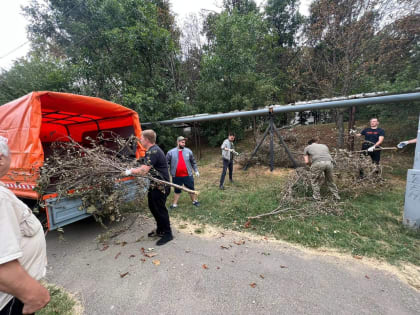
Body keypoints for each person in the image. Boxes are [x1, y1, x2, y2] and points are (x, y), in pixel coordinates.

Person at [0, 136, 50, 314]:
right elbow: (2, 263)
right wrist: (34, 295)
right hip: (10, 299)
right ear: (1, 158)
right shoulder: (1, 198)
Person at [124, 130, 173, 246]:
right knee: (153, 207)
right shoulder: (151, 151)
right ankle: (160, 229)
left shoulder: (154, 151)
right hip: (154, 185)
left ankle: (168, 234)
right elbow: (146, 165)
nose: (140, 140)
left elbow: (143, 170)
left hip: (161, 185)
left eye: (141, 138)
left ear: (146, 140)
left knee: (160, 209)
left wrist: (130, 171)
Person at [166, 136, 200, 209]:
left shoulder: (188, 151)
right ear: (178, 142)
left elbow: (193, 162)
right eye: (182, 142)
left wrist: (196, 170)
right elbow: (166, 164)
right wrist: (165, 172)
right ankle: (174, 204)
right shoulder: (170, 152)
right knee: (177, 190)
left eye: (184, 142)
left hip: (188, 175)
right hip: (176, 176)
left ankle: (194, 201)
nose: (184, 144)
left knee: (191, 189)